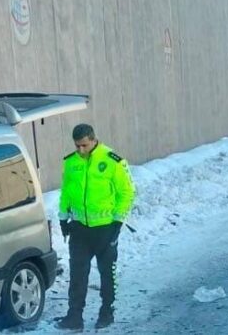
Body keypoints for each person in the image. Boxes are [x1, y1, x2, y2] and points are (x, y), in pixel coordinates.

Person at [56, 124, 136, 331]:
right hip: (80, 229)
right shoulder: (71, 162)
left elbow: (126, 192)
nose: (80, 150)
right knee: (77, 275)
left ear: (93, 139)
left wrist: (118, 222)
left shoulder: (112, 160)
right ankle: (74, 317)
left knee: (106, 274)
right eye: (77, 146)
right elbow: (66, 191)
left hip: (105, 229)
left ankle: (106, 312)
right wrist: (63, 219)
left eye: (84, 145)